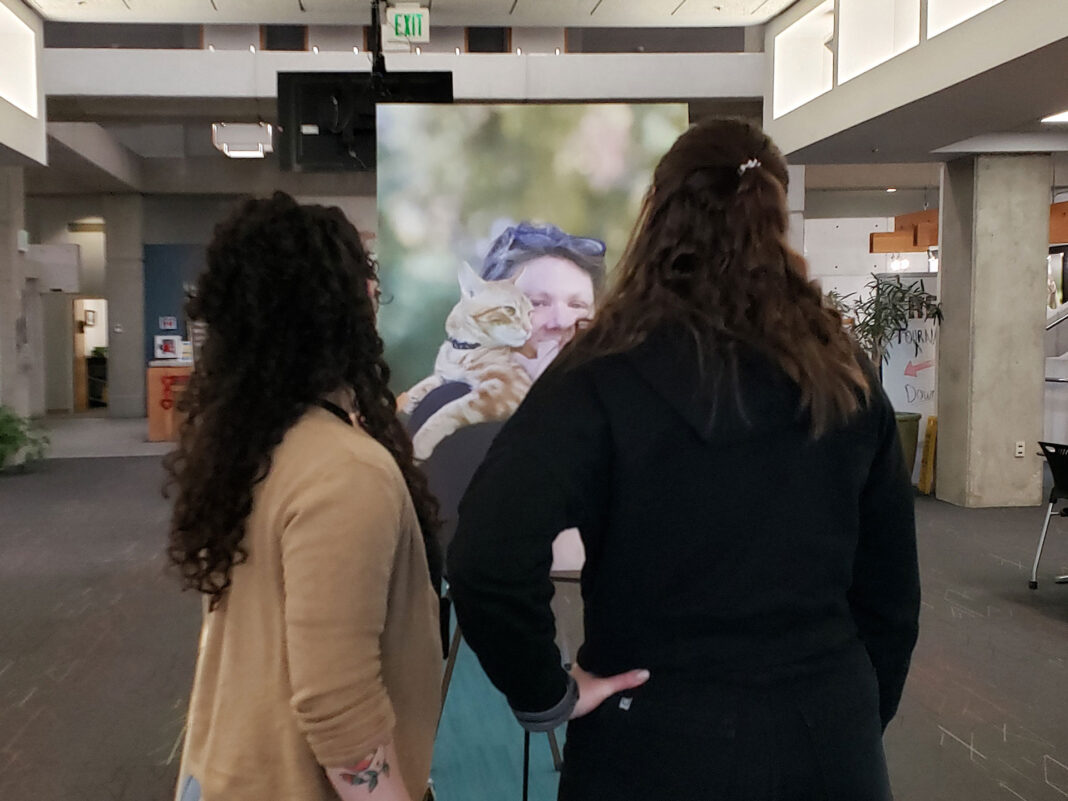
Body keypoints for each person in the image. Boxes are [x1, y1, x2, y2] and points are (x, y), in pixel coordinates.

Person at [447, 119, 920, 801]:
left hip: (653, 740)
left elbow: (486, 555)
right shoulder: (843, 369)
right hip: (828, 733)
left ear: (659, 213)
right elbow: (892, 594)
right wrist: (852, 715)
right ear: (777, 221)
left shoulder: (602, 370)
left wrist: (544, 691)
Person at [165, 193, 441, 801]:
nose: (375, 292)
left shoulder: (257, 445)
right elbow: (337, 700)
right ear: (338, 307)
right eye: (363, 276)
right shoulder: (345, 472)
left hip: (225, 770)